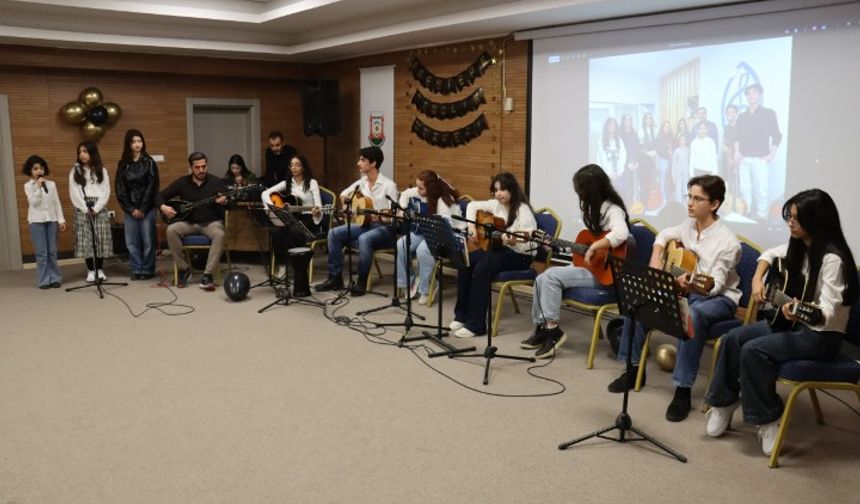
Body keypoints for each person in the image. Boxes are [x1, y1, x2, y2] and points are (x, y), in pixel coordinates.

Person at [704, 189, 857, 456]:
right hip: (794, 325)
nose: (790, 222)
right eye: (790, 217)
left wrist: (799, 312)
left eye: (797, 218)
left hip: (822, 336)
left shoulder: (833, 260)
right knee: (732, 338)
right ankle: (724, 402)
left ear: (816, 220)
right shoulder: (801, 246)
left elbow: (829, 311)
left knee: (754, 350)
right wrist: (756, 279)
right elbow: (768, 254)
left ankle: (767, 418)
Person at [608, 175, 741, 423]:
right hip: (686, 290)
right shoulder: (688, 226)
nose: (690, 203)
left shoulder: (728, 243)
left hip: (719, 299)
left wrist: (690, 285)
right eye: (689, 196)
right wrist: (657, 256)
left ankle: (682, 389)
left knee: (694, 315)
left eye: (697, 198)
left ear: (714, 204)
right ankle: (633, 369)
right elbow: (664, 235)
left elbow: (715, 286)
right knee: (638, 303)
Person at [523, 164, 629, 358]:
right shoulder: (592, 210)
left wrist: (596, 247)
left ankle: (553, 331)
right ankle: (542, 329)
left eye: (581, 188)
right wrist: (552, 244)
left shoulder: (613, 210)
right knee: (541, 279)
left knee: (550, 276)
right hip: (590, 269)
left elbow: (622, 233)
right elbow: (581, 247)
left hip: (608, 275)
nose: (578, 193)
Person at [451, 172, 537, 338]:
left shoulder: (523, 210)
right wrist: (472, 228)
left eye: (503, 189)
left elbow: (531, 243)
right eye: (496, 190)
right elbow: (471, 206)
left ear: (512, 190)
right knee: (465, 260)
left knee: (482, 268)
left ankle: (477, 325)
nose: (498, 193)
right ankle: (461, 315)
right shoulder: (496, 204)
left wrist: (514, 241)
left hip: (519, 255)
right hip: (500, 249)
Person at [315, 146, 398, 296]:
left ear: (373, 163)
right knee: (334, 233)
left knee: (364, 238)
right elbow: (343, 194)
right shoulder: (362, 182)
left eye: (362, 160)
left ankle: (361, 280)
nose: (358, 163)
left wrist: (381, 217)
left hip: (385, 229)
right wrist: (347, 203)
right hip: (365, 224)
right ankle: (335, 278)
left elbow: (393, 217)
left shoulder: (389, 185)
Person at [156, 152, 232, 290]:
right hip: (189, 223)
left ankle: (208, 274)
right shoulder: (182, 182)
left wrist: (225, 201)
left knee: (220, 234)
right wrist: (163, 207)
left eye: (204, 166)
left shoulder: (216, 182)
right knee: (171, 230)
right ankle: (184, 269)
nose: (201, 170)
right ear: (191, 167)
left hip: (211, 223)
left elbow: (231, 204)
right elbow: (160, 195)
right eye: (197, 167)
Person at [395, 170, 463, 305]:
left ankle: (427, 288)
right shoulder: (419, 191)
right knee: (401, 245)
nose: (417, 190)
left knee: (423, 251)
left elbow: (445, 226)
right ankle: (409, 281)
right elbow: (405, 193)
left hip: (445, 234)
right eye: (417, 186)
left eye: (421, 188)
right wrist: (401, 208)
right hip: (424, 230)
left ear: (431, 188)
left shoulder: (443, 200)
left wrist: (427, 225)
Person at [260, 154, 323, 278]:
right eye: (292, 165)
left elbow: (319, 206)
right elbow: (265, 193)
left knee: (294, 231)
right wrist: (273, 210)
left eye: (297, 165)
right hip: (292, 218)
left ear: (303, 167)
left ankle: (298, 265)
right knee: (276, 230)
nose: (294, 168)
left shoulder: (312, 182)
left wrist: (317, 211)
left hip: (308, 218)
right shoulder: (287, 183)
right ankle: (283, 265)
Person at [115, 129, 160, 280]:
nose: (137, 144)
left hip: (146, 208)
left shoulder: (149, 162)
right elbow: (120, 189)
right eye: (134, 142)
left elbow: (152, 186)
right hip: (130, 209)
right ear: (128, 144)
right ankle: (136, 268)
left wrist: (142, 208)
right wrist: (130, 209)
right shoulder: (123, 164)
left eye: (139, 141)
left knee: (148, 240)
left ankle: (147, 269)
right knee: (132, 241)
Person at [735, 83, 782, 222]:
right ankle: (746, 214)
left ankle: (761, 217)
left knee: (761, 190)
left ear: (759, 95)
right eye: (748, 93)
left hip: (761, 159)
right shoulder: (742, 116)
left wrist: (771, 155)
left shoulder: (768, 113)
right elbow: (737, 136)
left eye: (754, 93)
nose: (751, 96)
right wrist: (737, 152)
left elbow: (777, 135)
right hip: (744, 159)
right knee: (745, 190)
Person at [69, 142, 113, 282]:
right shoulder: (75, 171)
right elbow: (74, 193)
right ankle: (90, 270)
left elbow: (106, 191)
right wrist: (85, 208)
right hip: (83, 209)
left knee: (100, 240)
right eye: (80, 152)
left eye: (85, 151)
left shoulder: (102, 171)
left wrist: (97, 208)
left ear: (92, 153)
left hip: (98, 209)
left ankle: (99, 269)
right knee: (86, 240)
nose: (82, 154)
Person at [22, 155, 65, 289]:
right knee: (41, 253)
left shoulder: (51, 184)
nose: (39, 171)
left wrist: (61, 219)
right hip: (36, 221)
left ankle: (55, 278)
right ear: (30, 171)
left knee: (52, 252)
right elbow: (33, 203)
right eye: (35, 169)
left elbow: (56, 203)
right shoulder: (28, 186)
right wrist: (39, 188)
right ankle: (44, 280)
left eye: (41, 168)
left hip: (51, 220)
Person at [595, 117, 626, 194]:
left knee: (618, 195)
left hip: (618, 174)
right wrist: (608, 173)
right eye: (610, 124)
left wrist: (620, 171)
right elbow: (599, 158)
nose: (612, 127)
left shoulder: (619, 140)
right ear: (606, 126)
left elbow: (623, 155)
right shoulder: (601, 141)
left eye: (614, 125)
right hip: (606, 174)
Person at [671, 132, 691, 205]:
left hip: (685, 171)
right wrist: (673, 174)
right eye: (680, 140)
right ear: (678, 141)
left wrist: (689, 172)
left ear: (685, 141)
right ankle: (678, 203)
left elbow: (689, 161)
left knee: (685, 186)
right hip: (678, 171)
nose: (682, 141)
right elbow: (674, 163)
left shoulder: (688, 150)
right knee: (678, 186)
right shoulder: (677, 150)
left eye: (683, 140)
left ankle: (685, 201)